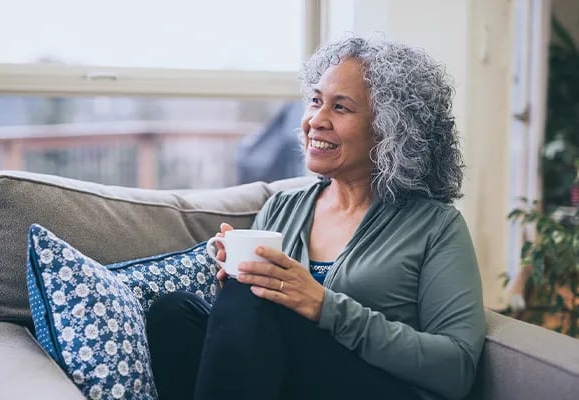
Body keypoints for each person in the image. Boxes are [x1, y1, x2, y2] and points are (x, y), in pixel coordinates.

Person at [145, 36, 486, 400]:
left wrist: (324, 306)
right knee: (174, 313)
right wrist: (235, 290)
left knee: (255, 293)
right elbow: (255, 336)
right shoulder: (281, 209)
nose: (316, 121)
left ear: (391, 130)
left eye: (341, 108)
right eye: (316, 101)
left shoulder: (436, 227)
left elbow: (457, 368)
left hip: (380, 389)